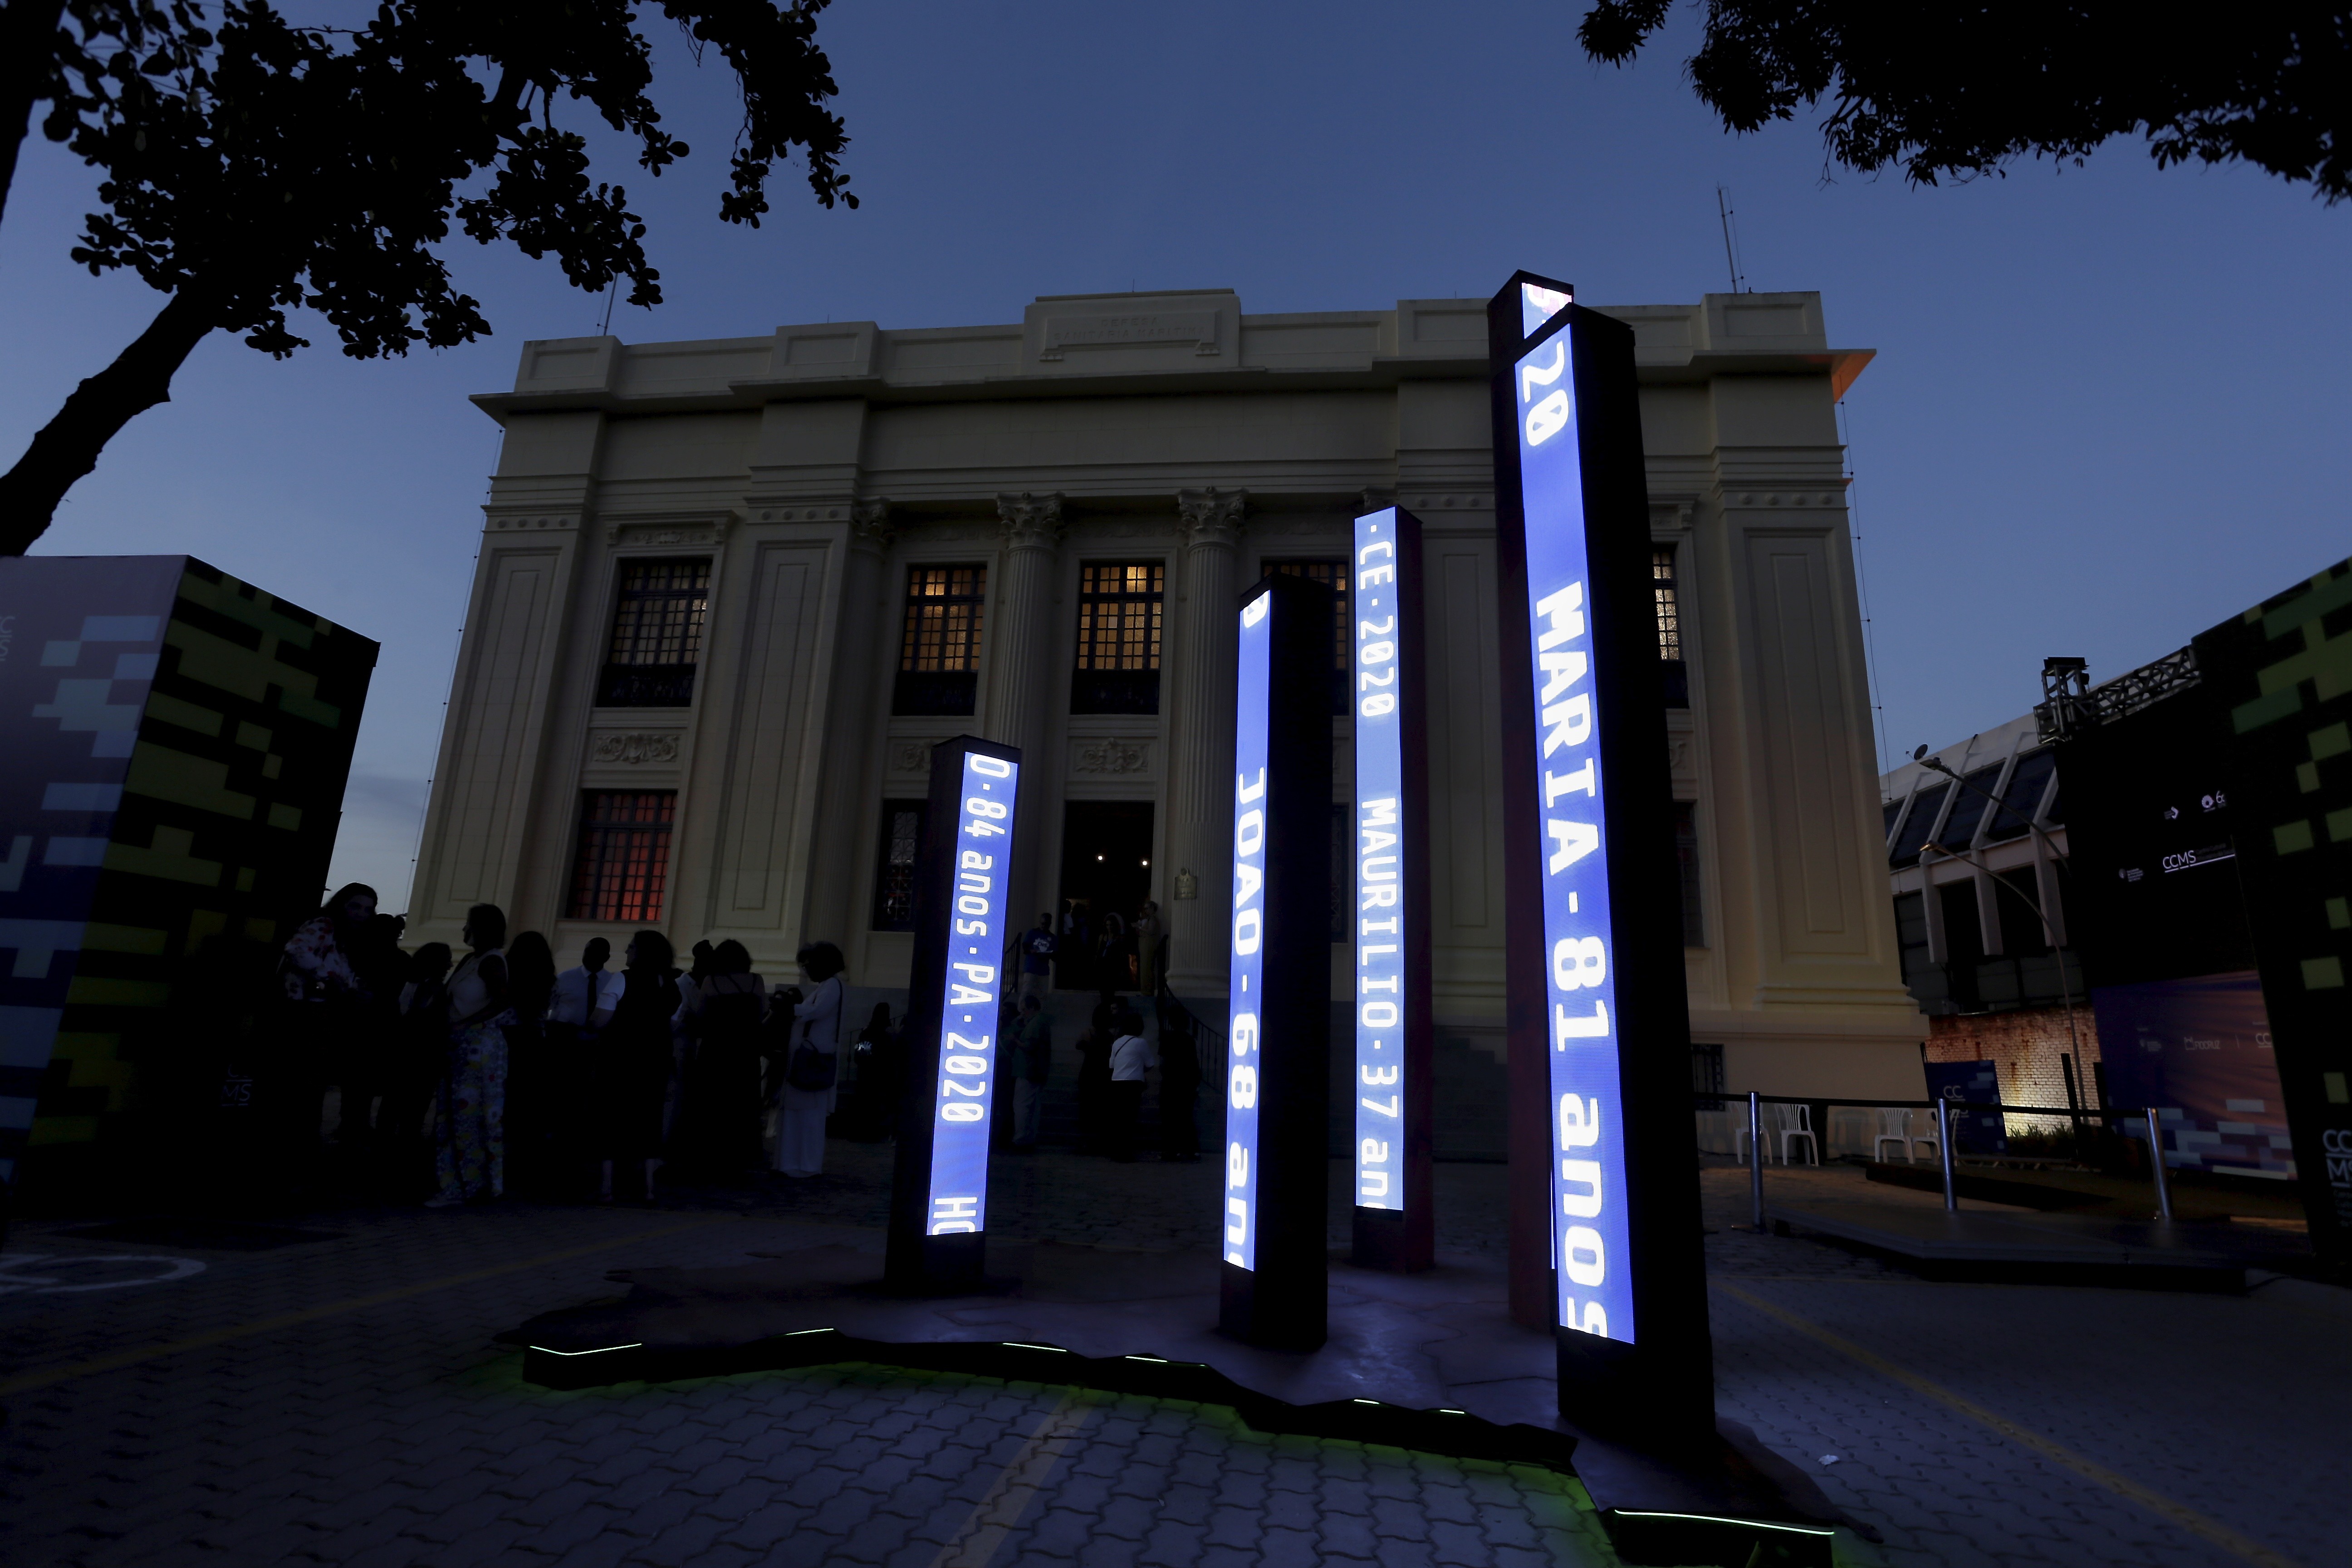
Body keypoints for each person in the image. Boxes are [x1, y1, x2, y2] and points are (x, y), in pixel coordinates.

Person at [277, 882, 377, 1158]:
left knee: (312, 1085)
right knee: (307, 1085)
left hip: (324, 1013)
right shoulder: (325, 925)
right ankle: (297, 1149)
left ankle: (301, 1147)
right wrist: (329, 981)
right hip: (309, 1012)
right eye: (355, 906)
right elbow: (296, 950)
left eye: (368, 910)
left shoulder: (342, 937)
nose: (361, 914)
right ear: (341, 904)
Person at [588, 929, 682, 1202]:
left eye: (631, 947)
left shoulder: (622, 979)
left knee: (612, 1119)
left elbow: (599, 1020)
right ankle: (648, 1187)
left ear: (641, 952)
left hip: (619, 1059)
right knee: (649, 1120)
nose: (627, 952)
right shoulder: (671, 985)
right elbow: (673, 1025)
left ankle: (607, 1187)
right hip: (654, 1061)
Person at [430, 904, 511, 1206]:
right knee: (453, 1116)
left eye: (469, 925)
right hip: (460, 1046)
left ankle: (467, 1184)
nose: (464, 931)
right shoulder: (470, 959)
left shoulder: (491, 963)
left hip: (478, 1049)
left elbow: (504, 1000)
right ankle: (460, 1182)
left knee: (469, 1119)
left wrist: (468, 1023)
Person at [679, 940, 766, 1173]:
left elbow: (702, 1017)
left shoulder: (712, 982)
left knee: (712, 1104)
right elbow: (760, 1016)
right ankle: (740, 1158)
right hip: (745, 1054)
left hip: (716, 1052)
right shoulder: (756, 981)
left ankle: (710, 1157)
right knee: (743, 1105)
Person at [774, 941, 845, 1179]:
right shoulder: (826, 986)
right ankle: (791, 1162)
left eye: (808, 964)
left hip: (812, 1060)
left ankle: (803, 1164)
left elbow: (816, 1012)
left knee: (808, 1117)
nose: (805, 969)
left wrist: (791, 1008)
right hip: (806, 1058)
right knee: (798, 1114)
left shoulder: (832, 986)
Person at [501, 930, 557, 1191]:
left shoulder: (506, 974)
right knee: (528, 1104)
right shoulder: (548, 980)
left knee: (504, 1103)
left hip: (506, 1039)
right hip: (534, 1042)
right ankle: (525, 1168)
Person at [1105, 1008, 1155, 1163]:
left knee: (1118, 1119)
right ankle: (1126, 1153)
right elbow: (1150, 1064)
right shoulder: (1141, 1043)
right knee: (1129, 1119)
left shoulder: (1117, 1043)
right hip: (1133, 1085)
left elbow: (1112, 1065)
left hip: (1116, 1083)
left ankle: (1116, 1151)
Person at [846, 1002, 901, 1142]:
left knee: (865, 1104)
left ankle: (862, 1133)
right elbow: (893, 1055)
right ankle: (876, 1134)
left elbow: (860, 1054)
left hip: (866, 1074)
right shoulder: (889, 1033)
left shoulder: (866, 1032)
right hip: (882, 1075)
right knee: (879, 1106)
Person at [1008, 994, 1051, 1151]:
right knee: (1031, 1107)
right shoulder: (1039, 1022)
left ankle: (1020, 1138)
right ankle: (1027, 1138)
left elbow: (1030, 1047)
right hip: (1034, 1071)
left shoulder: (1036, 1023)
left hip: (1028, 1070)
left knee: (1022, 1106)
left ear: (1032, 1008)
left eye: (1025, 1009)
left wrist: (1015, 1040)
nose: (1023, 1012)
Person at [1019, 916, 1057, 1003]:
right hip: (1031, 968)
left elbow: (1055, 956)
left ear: (1050, 924)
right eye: (1042, 924)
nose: (1043, 926)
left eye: (1046, 924)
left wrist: (1050, 954)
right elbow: (1025, 947)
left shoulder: (1053, 938)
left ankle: (1039, 1014)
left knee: (1042, 995)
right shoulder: (1033, 933)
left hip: (1043, 970)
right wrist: (1031, 951)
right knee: (1026, 991)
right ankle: (1021, 1011)